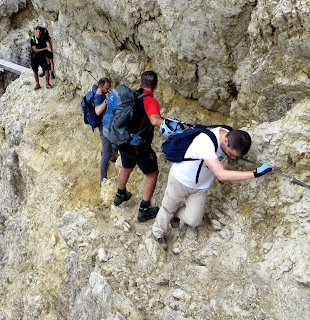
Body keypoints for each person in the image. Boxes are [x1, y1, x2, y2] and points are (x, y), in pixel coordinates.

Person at [151, 128, 273, 250]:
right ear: (226, 140)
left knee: (194, 220)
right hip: (180, 179)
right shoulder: (206, 142)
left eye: (235, 157)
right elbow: (221, 175)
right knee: (167, 208)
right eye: (230, 154)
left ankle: (174, 211)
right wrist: (254, 174)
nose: (231, 158)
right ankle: (157, 233)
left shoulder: (228, 135)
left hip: (200, 187)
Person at [113, 70, 164, 222]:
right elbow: (155, 120)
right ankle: (144, 210)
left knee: (126, 168)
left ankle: (120, 196)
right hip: (138, 146)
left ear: (140, 83)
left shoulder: (130, 95)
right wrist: (169, 124)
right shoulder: (150, 101)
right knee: (152, 175)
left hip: (123, 141)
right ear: (155, 86)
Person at [91, 78, 118, 185]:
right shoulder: (98, 97)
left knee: (115, 141)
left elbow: (94, 84)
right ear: (101, 87)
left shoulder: (96, 87)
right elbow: (97, 111)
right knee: (106, 154)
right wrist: (106, 102)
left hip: (107, 124)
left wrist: (104, 89)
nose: (108, 90)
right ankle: (103, 180)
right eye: (107, 88)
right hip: (103, 127)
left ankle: (110, 151)